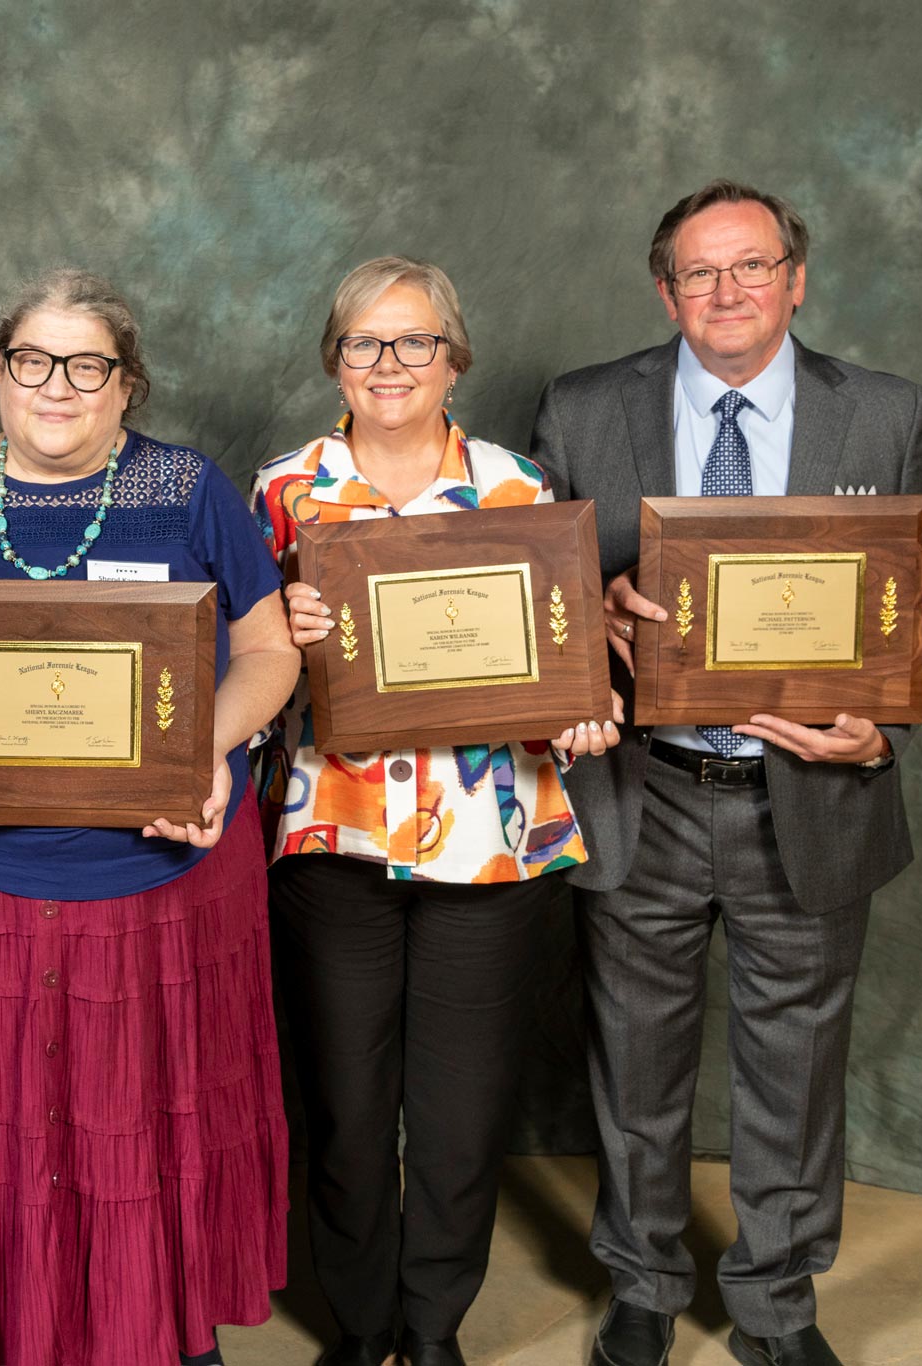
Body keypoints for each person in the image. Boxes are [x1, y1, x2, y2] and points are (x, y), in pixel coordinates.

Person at [528, 181, 922, 1366]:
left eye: (751, 267)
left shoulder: (880, 413)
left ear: (796, 278)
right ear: (663, 289)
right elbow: (530, 596)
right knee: (633, 1062)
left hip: (810, 796)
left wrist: (877, 734)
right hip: (645, 789)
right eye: (698, 273)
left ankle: (774, 1303)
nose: (726, 292)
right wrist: (590, 623)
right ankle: (639, 1285)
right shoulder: (580, 410)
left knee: (795, 1063)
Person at [0, 268, 300, 1366]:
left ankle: (168, 1332)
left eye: (86, 365)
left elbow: (271, 648)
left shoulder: (188, 488)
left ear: (124, 385)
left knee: (151, 1115)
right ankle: (8, 1330)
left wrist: (209, 751)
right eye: (31, 361)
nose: (56, 386)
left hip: (161, 868)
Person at [248, 258, 620, 1366]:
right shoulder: (280, 489)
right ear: (334, 359)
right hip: (333, 835)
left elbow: (568, 660)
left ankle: (434, 1324)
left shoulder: (523, 488)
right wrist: (275, 617)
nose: (388, 364)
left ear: (454, 357)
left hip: (492, 843)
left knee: (459, 1119)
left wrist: (581, 715)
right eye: (364, 342)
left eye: (413, 341)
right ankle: (362, 1325)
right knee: (348, 1111)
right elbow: (228, 657)